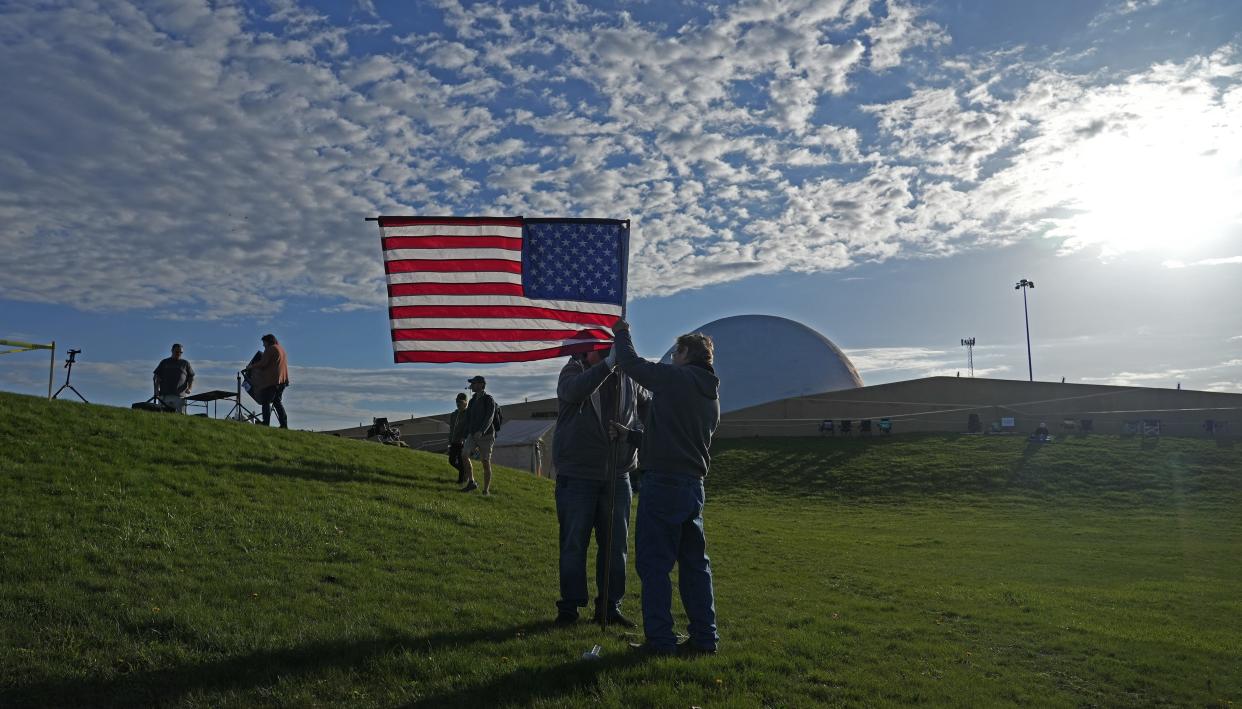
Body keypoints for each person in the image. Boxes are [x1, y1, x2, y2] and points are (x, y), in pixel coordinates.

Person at [611, 318, 721, 657]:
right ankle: (705, 638)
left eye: (676, 352)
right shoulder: (708, 393)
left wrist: (623, 333)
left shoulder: (678, 379)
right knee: (693, 565)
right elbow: (672, 439)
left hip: (663, 485)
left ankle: (660, 640)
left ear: (687, 353)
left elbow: (630, 364)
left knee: (654, 565)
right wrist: (630, 435)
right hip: (692, 487)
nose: (672, 358)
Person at [552, 344, 648, 627]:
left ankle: (609, 606)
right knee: (573, 544)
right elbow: (573, 392)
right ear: (587, 351)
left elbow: (649, 411)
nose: (609, 354)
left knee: (615, 546)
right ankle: (570, 607)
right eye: (603, 350)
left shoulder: (630, 378)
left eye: (611, 350)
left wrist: (634, 435)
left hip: (618, 475)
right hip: (578, 475)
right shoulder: (574, 370)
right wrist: (607, 366)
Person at [460, 375, 497, 494]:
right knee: (464, 454)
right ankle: (472, 482)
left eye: (474, 383)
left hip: (486, 436)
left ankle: (486, 490)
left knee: (485, 462)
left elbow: (489, 417)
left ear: (481, 384)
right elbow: (468, 419)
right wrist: (465, 434)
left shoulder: (488, 399)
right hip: (472, 434)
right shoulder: (472, 401)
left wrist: (482, 431)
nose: (472, 385)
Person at [249, 334, 290, 428]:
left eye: (264, 342)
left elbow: (263, 363)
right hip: (283, 380)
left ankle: (266, 423)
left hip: (273, 381)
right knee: (277, 402)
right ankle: (284, 424)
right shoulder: (281, 349)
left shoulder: (270, 349)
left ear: (268, 341)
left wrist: (252, 366)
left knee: (265, 401)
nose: (263, 345)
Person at [153, 343, 194, 413]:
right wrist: (156, 390)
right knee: (162, 416)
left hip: (179, 396)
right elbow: (156, 377)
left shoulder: (185, 363)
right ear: (172, 351)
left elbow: (191, 377)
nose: (179, 353)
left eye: (181, 352)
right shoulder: (164, 362)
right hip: (164, 395)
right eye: (177, 352)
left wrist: (189, 388)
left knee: (179, 417)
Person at [448, 392, 469, 484]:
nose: (458, 404)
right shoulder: (453, 414)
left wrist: (464, 437)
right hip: (453, 441)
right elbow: (451, 428)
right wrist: (450, 439)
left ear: (465, 402)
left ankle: (461, 481)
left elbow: (468, 428)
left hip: (462, 442)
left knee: (461, 461)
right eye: (457, 402)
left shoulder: (468, 414)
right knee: (451, 461)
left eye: (460, 402)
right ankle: (465, 473)